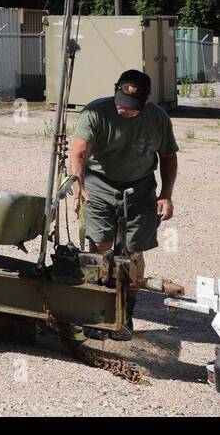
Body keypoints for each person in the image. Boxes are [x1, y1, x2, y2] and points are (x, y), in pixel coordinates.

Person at [66, 68, 178, 337]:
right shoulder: (95, 112)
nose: (125, 111)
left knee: (133, 252)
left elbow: (169, 157)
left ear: (148, 99)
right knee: (100, 250)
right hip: (99, 185)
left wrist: (166, 195)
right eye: (121, 104)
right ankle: (97, 312)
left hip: (140, 188)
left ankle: (125, 314)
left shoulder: (159, 119)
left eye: (132, 108)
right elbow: (79, 152)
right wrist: (79, 185)